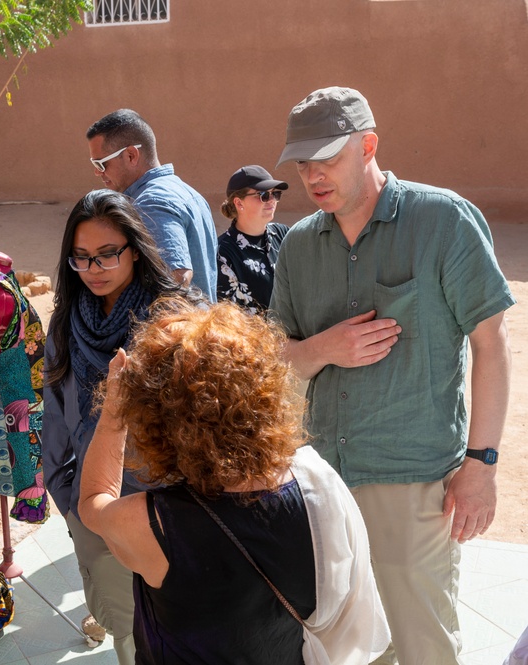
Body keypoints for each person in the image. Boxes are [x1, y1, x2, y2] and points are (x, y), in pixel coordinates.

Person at [270, 86, 514, 664]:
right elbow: (272, 361)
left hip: (413, 481)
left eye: (327, 156)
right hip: (321, 484)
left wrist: (481, 464)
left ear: (369, 145)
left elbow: (492, 344)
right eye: (303, 163)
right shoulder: (299, 247)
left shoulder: (444, 220)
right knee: (347, 649)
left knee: (423, 645)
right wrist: (325, 348)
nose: (313, 175)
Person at [77, 299, 389, 665]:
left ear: (158, 422)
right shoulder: (315, 482)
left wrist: (116, 405)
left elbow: (93, 502)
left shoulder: (149, 523)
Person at [42, 189, 195, 664]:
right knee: (129, 636)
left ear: (134, 248)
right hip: (97, 509)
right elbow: (55, 416)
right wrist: (69, 497)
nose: (95, 269)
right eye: (82, 258)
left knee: (181, 631)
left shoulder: (173, 320)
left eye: (108, 254)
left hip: (169, 509)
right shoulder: (68, 323)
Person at [86, 109, 217, 298]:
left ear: (131, 155)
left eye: (101, 164)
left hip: (173, 326)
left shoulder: (151, 203)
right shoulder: (189, 193)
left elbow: (175, 279)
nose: (98, 173)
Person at [216, 165, 290, 313]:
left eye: (275, 194)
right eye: (263, 195)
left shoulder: (283, 233)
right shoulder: (222, 252)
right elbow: (231, 317)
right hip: (258, 335)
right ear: (239, 203)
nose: (271, 200)